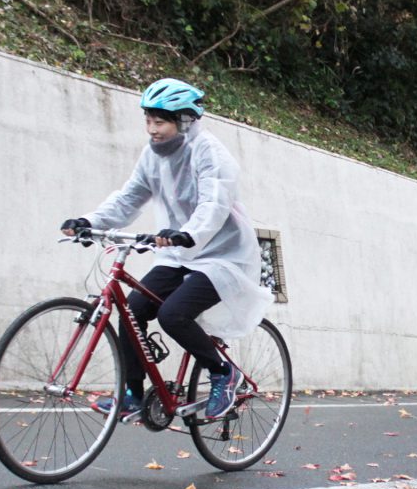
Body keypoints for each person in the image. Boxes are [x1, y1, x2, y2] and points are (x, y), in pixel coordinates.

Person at [61, 78, 272, 421]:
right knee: (131, 310)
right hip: (178, 253)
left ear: (185, 120)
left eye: (160, 122)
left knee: (172, 314)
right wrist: (89, 221)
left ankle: (222, 372)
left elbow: (214, 204)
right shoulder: (152, 156)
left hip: (221, 256)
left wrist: (187, 234)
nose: (152, 129)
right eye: (148, 120)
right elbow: (129, 198)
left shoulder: (209, 152)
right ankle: (132, 393)